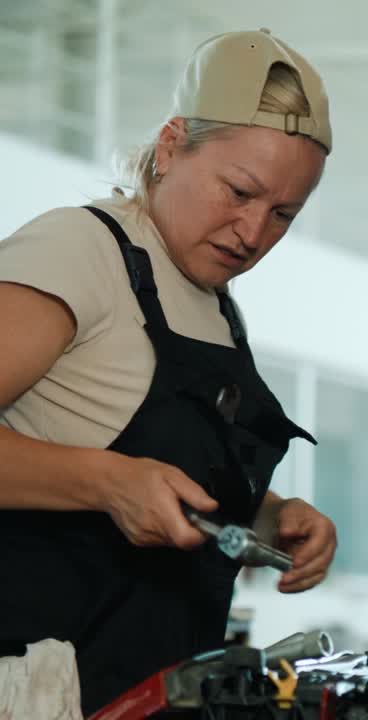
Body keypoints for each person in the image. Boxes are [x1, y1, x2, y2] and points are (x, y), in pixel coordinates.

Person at [0, 29, 338, 713]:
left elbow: (166, 476)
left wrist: (267, 522)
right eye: (238, 191)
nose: (252, 233)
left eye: (283, 215)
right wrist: (107, 484)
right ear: (172, 143)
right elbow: (116, 471)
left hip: (152, 688)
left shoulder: (214, 306)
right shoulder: (79, 250)